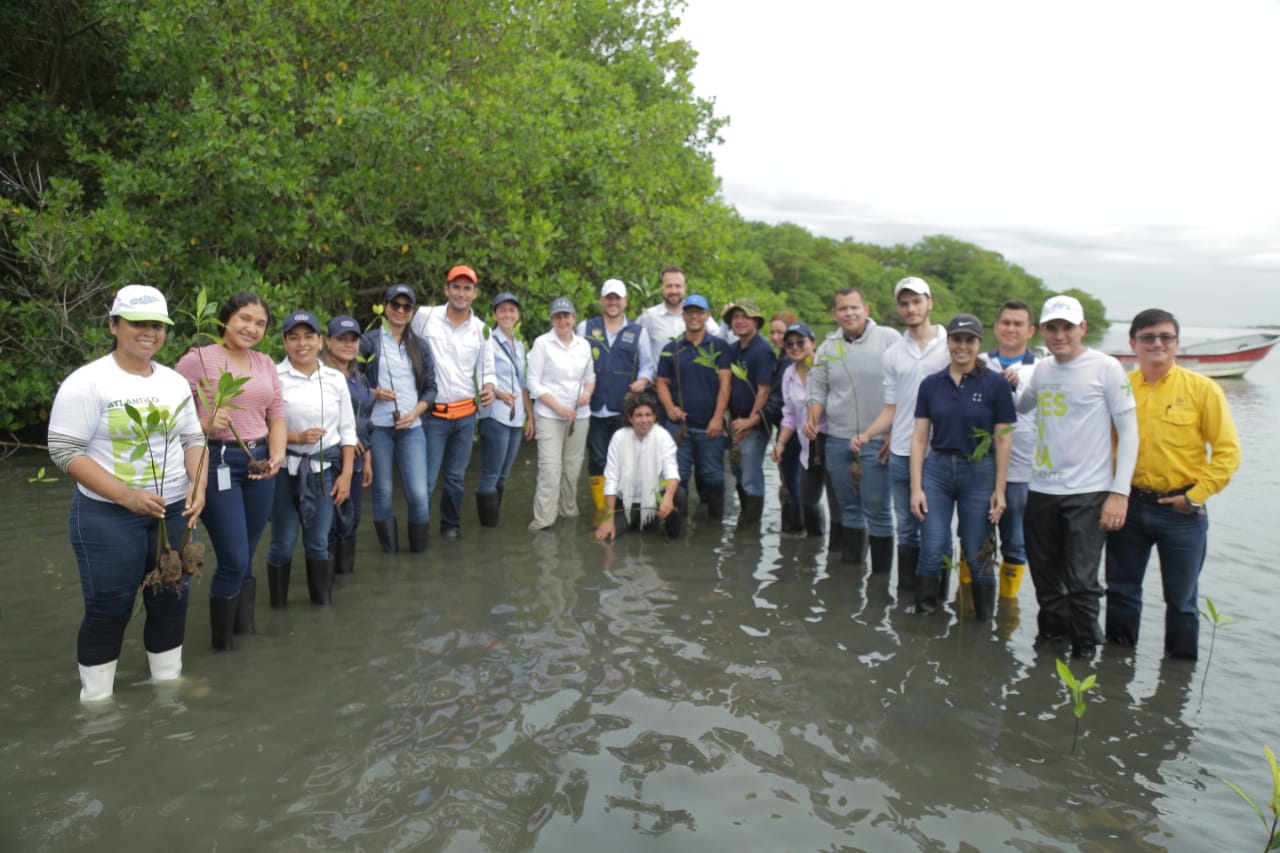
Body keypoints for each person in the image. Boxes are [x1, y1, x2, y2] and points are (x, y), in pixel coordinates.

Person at [49, 285, 206, 701]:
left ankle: (168, 685)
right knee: (109, 609)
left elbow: (193, 438)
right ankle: (97, 702)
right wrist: (124, 495)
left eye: (157, 325)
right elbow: (64, 450)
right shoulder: (89, 381)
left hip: (172, 510)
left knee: (171, 597)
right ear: (114, 325)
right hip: (107, 515)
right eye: (138, 323)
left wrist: (198, 484)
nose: (149, 332)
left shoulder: (173, 382)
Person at [1105, 308, 1240, 659]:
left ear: (1177, 343)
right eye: (1148, 337)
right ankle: (1116, 670)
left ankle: (1178, 682)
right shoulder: (1119, 388)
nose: (1157, 343)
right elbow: (1102, 446)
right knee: (1121, 592)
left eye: (1166, 337)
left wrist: (1194, 498)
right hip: (1128, 506)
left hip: (1181, 511)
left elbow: (1228, 453)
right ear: (1133, 343)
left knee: (1181, 602)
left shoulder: (1202, 389)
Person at [1018, 294, 1138, 657]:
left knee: (1082, 582)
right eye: (1052, 328)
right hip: (1040, 489)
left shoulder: (1107, 368)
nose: (1059, 335)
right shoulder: (1041, 369)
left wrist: (1120, 492)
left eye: (1067, 328)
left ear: (1082, 328)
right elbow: (1023, 405)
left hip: (1088, 492)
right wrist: (1005, 382)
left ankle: (1085, 654)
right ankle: (1050, 645)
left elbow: (1130, 432)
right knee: (1044, 577)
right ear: (1041, 331)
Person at [176, 291, 286, 651]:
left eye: (260, 323)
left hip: (260, 462)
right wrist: (205, 423)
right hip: (218, 459)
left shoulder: (265, 363)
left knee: (248, 554)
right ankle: (222, 647)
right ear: (224, 320)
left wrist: (278, 455)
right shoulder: (198, 361)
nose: (251, 328)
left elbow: (277, 415)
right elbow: (172, 415)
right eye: (244, 318)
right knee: (235, 558)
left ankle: (245, 633)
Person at [909, 314, 1015, 619]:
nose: (962, 346)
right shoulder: (931, 384)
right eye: (957, 339)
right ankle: (925, 619)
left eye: (970, 340)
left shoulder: (995, 384)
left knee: (977, 550)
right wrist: (916, 488)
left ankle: (982, 625)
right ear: (948, 342)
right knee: (931, 547)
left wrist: (1000, 489)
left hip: (979, 471)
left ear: (979, 344)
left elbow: (1004, 439)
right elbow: (919, 438)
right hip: (937, 471)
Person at [852, 277, 949, 583]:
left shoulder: (951, 346)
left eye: (916, 301)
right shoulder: (894, 353)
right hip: (902, 452)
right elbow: (891, 407)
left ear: (929, 303)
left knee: (937, 530)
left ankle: (935, 597)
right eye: (904, 303)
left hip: (940, 452)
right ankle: (907, 596)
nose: (911, 308)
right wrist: (868, 434)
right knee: (906, 526)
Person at [267, 311, 357, 607]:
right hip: (284, 468)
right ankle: (278, 609)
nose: (301, 344)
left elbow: (347, 430)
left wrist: (346, 475)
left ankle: (322, 609)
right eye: (293, 337)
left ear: (321, 342)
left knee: (318, 542)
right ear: (284, 342)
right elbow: (264, 426)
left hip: (324, 471)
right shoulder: (274, 377)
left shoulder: (334, 378)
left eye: (308, 337)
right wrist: (295, 437)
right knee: (282, 543)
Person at [807, 287, 898, 563]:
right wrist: (812, 420)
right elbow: (818, 390)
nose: (849, 313)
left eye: (854, 307)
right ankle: (851, 573)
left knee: (879, 509)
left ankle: (880, 578)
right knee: (849, 508)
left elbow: (905, 388)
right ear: (835, 314)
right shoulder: (827, 348)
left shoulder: (889, 339)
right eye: (842, 309)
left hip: (877, 438)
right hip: (837, 438)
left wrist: (892, 433)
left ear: (866, 310)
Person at [411, 264, 496, 541]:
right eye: (456, 287)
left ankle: (450, 526)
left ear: (475, 293)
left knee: (456, 479)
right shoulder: (424, 316)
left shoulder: (482, 330)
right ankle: (419, 528)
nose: (461, 293)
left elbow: (488, 371)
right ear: (447, 289)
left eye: (467, 288)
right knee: (426, 480)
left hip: (465, 415)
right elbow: (401, 341)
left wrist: (490, 388)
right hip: (433, 414)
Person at [360, 284, 437, 553]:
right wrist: (373, 393)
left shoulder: (421, 345)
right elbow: (350, 382)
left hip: (412, 428)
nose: (400, 311)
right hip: (378, 428)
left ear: (413, 311)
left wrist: (416, 412)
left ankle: (418, 556)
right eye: (395, 305)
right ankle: (389, 555)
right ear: (386, 306)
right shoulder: (368, 341)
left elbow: (430, 388)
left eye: (406, 307)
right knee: (382, 492)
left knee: (418, 494)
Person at [578, 278, 655, 522]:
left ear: (625, 302)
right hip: (592, 408)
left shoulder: (638, 332)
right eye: (608, 297)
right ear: (601, 300)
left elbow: (648, 366)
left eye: (617, 298)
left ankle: (624, 506)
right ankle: (602, 508)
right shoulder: (584, 328)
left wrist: (643, 380)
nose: (613, 302)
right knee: (597, 459)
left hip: (623, 408)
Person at [654, 294, 732, 519]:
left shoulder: (720, 347)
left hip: (711, 427)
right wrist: (669, 408)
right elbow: (661, 382)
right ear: (683, 315)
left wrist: (718, 418)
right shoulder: (672, 348)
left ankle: (713, 533)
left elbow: (725, 384)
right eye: (690, 312)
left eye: (699, 312)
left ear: (707, 316)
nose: (694, 316)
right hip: (680, 427)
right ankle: (677, 529)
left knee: (714, 477)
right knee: (677, 478)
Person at [979, 300, 1038, 600]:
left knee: (1015, 542)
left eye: (1018, 324)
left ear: (1030, 331)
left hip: (1020, 470)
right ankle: (974, 599)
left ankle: (1007, 605)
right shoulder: (977, 362)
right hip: (978, 467)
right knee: (977, 538)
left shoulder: (1040, 369)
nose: (1011, 329)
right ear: (996, 326)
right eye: (1006, 323)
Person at [526, 298, 596, 531]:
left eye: (567, 316)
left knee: (572, 467)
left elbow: (590, 379)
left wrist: (586, 393)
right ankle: (543, 520)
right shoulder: (542, 343)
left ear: (574, 319)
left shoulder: (583, 345)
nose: (563, 321)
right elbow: (533, 382)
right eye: (558, 317)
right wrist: (558, 407)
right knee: (550, 468)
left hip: (580, 416)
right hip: (549, 414)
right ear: (552, 320)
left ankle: (567, 511)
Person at [593, 391, 685, 542]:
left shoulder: (663, 437)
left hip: (655, 501)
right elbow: (611, 478)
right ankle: (634, 523)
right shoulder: (619, 438)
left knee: (679, 494)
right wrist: (608, 517)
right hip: (626, 503)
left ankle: (671, 538)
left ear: (655, 417)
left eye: (648, 415)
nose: (644, 420)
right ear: (630, 418)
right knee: (605, 539)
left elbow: (672, 473)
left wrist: (667, 498)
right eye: (639, 415)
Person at [321, 314, 374, 575]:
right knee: (330, 519)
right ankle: (325, 578)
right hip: (330, 456)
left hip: (355, 457)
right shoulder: (321, 375)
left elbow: (364, 421)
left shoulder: (358, 377)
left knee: (351, 518)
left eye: (353, 339)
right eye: (342, 339)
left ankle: (343, 579)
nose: (348, 344)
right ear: (328, 341)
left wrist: (367, 459)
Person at [476, 292, 534, 527]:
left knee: (503, 475)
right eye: (502, 310)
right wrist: (497, 392)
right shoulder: (487, 339)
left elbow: (523, 385)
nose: (507, 314)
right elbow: (479, 374)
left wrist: (530, 417)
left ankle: (493, 523)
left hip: (516, 416)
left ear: (518, 315)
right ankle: (488, 530)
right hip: (495, 414)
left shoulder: (519, 345)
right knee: (491, 473)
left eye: (512, 310)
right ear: (494, 314)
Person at [722, 298, 776, 523]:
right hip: (734, 422)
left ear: (756, 321)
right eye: (736, 317)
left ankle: (750, 528)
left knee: (751, 476)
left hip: (753, 424)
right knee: (738, 471)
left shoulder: (762, 350)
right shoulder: (734, 349)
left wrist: (750, 422)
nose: (740, 321)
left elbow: (763, 391)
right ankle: (744, 517)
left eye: (745, 317)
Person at [771, 322, 826, 537]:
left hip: (830, 438)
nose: (795, 347)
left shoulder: (824, 368)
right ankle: (812, 551)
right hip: (807, 445)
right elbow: (790, 415)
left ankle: (840, 556)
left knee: (840, 502)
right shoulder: (789, 374)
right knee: (807, 501)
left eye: (800, 342)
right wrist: (781, 443)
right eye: (789, 344)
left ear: (813, 343)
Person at [765, 311, 803, 533]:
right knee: (792, 480)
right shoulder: (783, 357)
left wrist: (755, 419)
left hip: (792, 429)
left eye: (781, 332)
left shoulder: (789, 360)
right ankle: (797, 527)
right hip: (786, 426)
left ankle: (795, 528)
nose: (776, 337)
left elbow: (778, 398)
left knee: (792, 481)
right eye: (772, 332)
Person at [636, 265, 721, 354]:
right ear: (661, 287)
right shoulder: (649, 316)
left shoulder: (698, 315)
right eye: (668, 286)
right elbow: (633, 345)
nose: (674, 291)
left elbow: (719, 338)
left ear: (685, 287)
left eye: (678, 286)